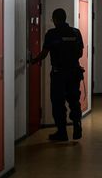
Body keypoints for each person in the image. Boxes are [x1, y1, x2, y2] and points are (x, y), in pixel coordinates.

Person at [31, 8, 84, 141]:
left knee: (58, 103)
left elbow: (44, 54)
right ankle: (77, 126)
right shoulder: (76, 33)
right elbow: (80, 53)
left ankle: (62, 132)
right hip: (73, 72)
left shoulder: (51, 34)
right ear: (65, 18)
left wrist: (33, 61)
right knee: (74, 101)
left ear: (55, 19)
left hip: (59, 73)